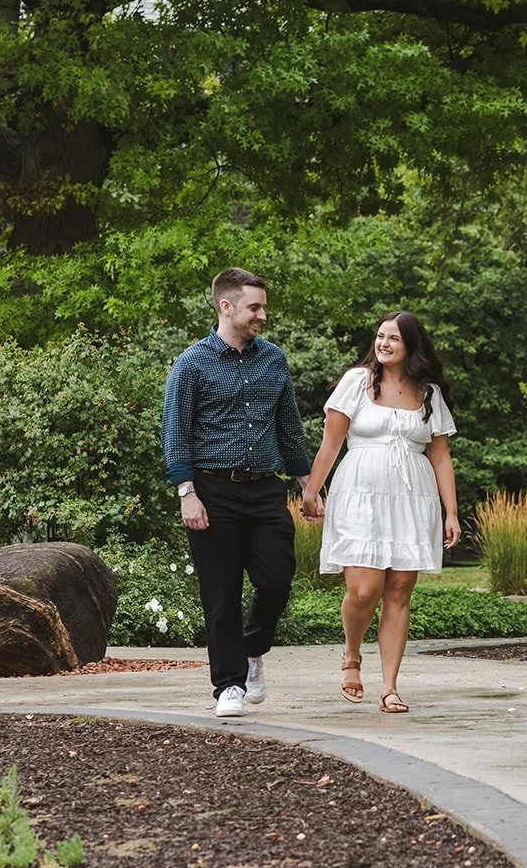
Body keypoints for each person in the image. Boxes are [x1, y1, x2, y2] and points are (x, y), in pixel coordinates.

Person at [163, 267, 312, 718]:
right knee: (220, 592)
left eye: (262, 307)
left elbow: (290, 428)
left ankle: (252, 650)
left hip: (266, 488)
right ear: (226, 307)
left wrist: (309, 485)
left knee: (277, 578)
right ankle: (227, 685)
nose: (262, 315)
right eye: (255, 307)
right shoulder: (191, 363)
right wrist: (187, 492)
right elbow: (176, 432)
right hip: (212, 490)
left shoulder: (273, 360)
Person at [300, 311, 460, 713]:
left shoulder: (429, 394)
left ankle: (390, 686)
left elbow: (440, 458)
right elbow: (331, 444)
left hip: (411, 500)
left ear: (411, 346)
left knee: (400, 592)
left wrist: (451, 512)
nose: (383, 343)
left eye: (393, 338)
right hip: (359, 495)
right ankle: (352, 655)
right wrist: (312, 491)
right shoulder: (356, 382)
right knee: (364, 590)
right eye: (380, 336)